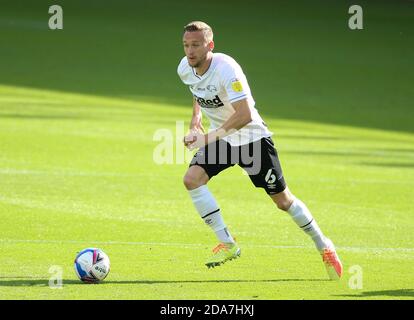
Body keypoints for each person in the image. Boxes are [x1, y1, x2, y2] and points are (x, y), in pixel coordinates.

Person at [177, 21, 343, 279]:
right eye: (186, 45)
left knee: (283, 201)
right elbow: (197, 90)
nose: (190, 51)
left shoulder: (227, 69)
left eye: (196, 45)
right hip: (224, 140)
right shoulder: (185, 68)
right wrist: (195, 120)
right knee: (192, 179)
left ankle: (324, 245)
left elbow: (243, 115)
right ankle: (229, 244)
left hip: (252, 139)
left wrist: (206, 138)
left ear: (210, 45)